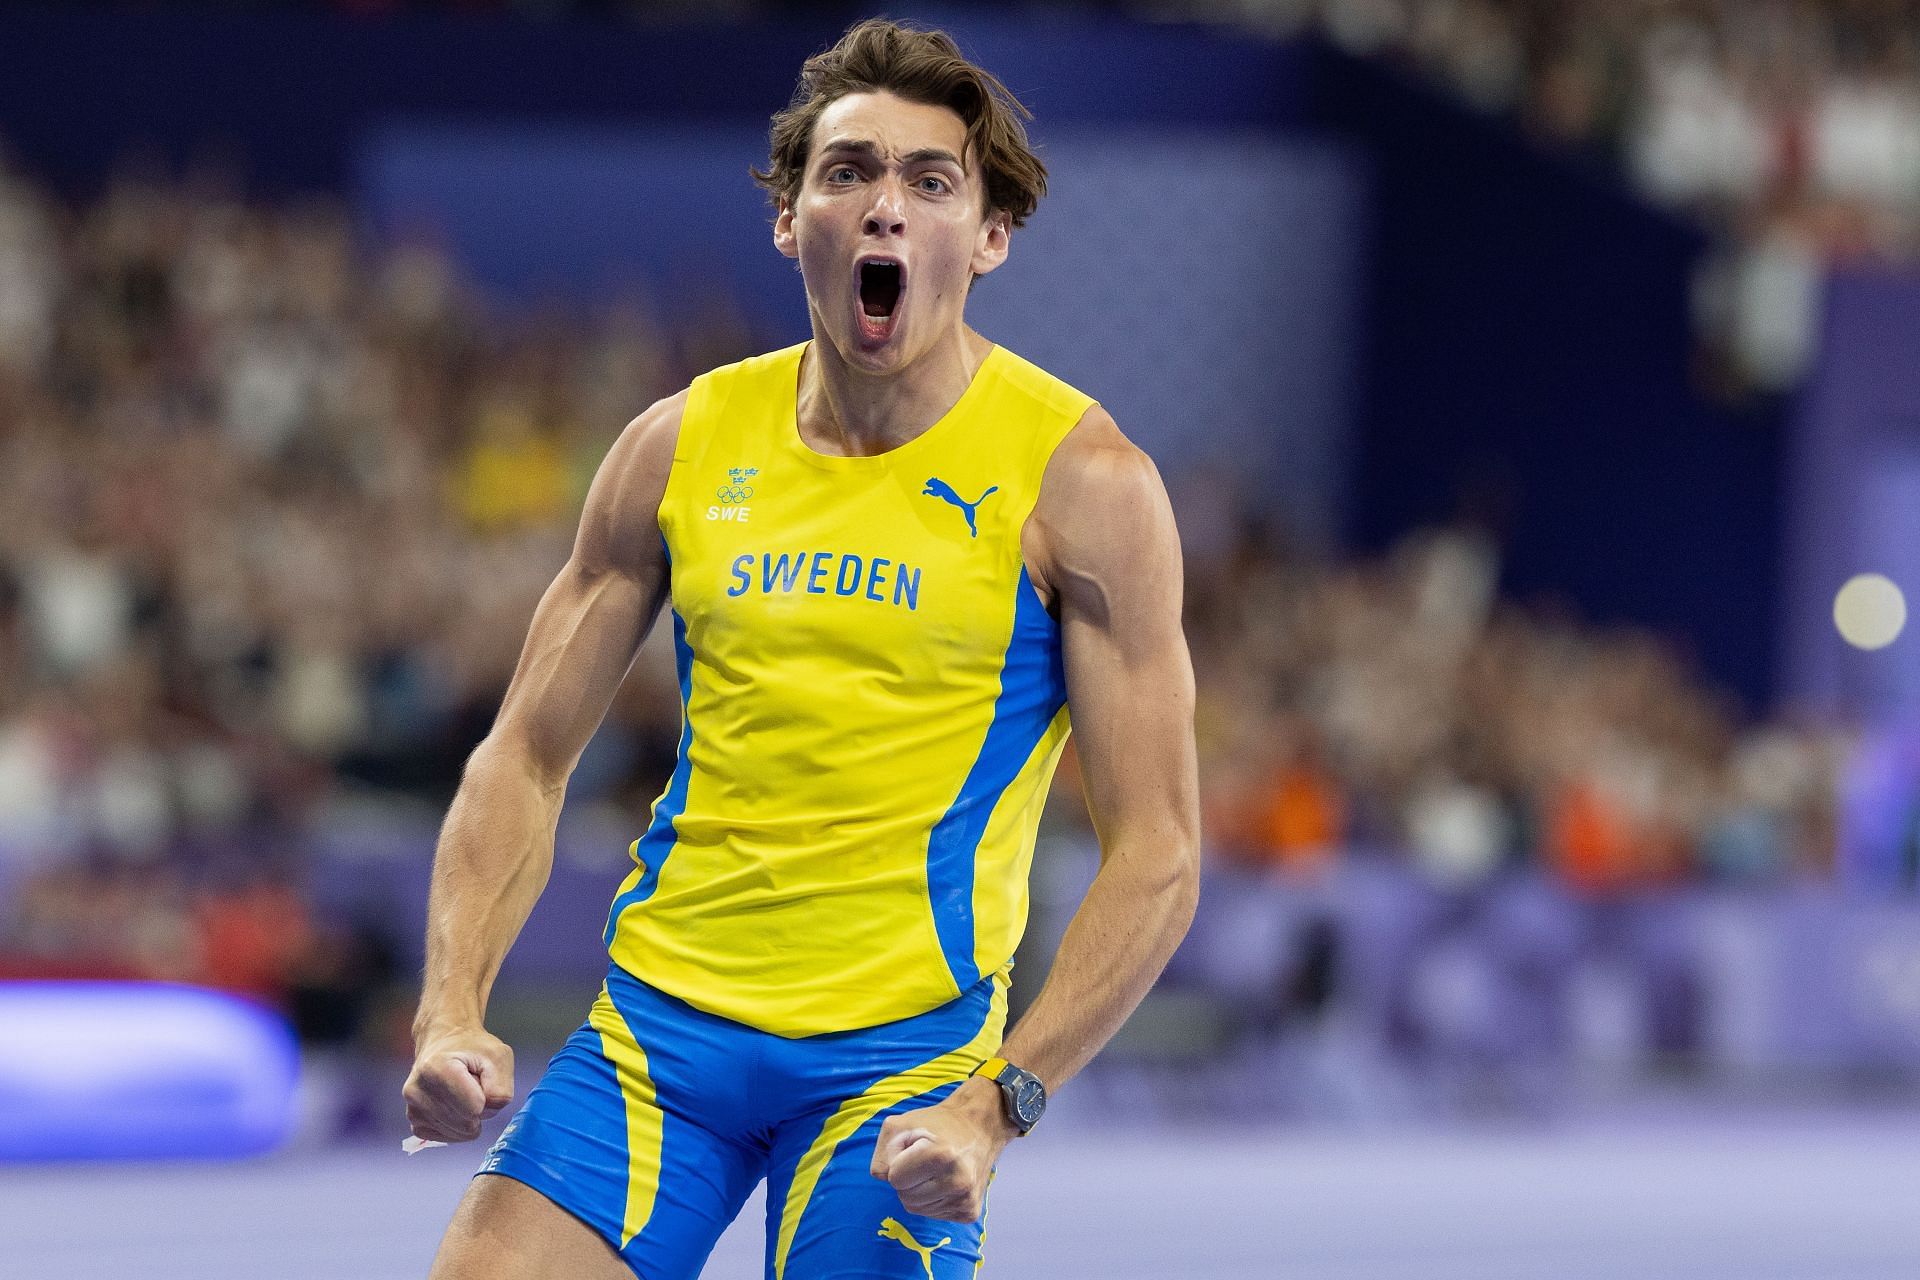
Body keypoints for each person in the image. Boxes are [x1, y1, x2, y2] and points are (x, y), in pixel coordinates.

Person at [403, 18, 1199, 1279]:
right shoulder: (679, 444)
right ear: (790, 221)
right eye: (848, 172)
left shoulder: (1085, 484)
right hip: (662, 1041)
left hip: (903, 1067)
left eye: (930, 182)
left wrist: (1002, 1100)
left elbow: (1158, 852)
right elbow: (523, 760)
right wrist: (450, 1007)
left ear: (989, 239)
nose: (885, 206)